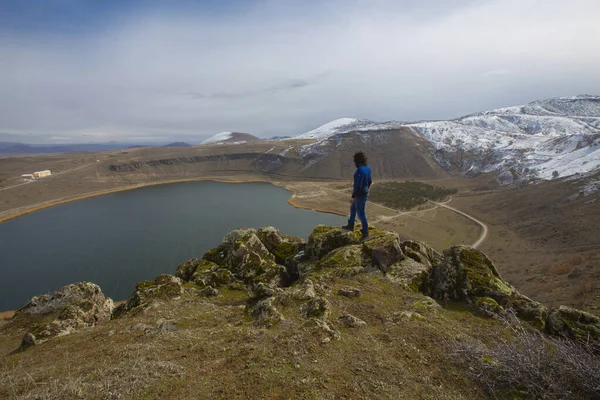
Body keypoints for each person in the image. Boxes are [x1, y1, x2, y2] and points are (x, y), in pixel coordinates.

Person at [342, 151, 372, 241]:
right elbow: (370, 181)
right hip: (364, 192)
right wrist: (366, 189)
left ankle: (366, 233)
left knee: (361, 213)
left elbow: (358, 186)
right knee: (353, 208)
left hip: (360, 195)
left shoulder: (359, 171)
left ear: (357, 161)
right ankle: (350, 225)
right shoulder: (368, 168)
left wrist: (353, 197)